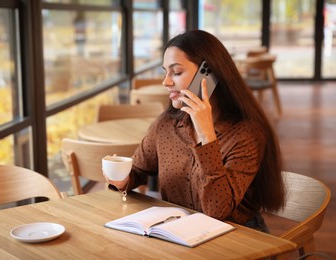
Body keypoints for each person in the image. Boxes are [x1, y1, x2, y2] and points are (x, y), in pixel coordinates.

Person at [105, 30, 285, 232]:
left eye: (177, 72)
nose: (166, 81)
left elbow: (217, 211)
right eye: (165, 72)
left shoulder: (246, 134)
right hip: (179, 232)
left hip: (238, 236)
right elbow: (138, 170)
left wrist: (207, 136)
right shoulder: (166, 125)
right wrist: (122, 179)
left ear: (207, 75)